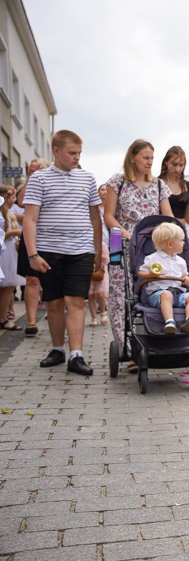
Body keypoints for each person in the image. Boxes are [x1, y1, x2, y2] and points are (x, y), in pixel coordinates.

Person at [23, 130, 103, 376]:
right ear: (56, 151)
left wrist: (98, 251)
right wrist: (33, 254)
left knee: (76, 300)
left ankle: (76, 356)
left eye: (79, 153)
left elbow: (95, 218)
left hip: (80, 250)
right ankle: (58, 350)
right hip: (49, 251)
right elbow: (30, 219)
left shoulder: (88, 179)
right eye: (72, 153)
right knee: (54, 302)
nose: (77, 157)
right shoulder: (39, 179)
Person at [104, 140, 173, 370]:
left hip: (150, 247)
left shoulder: (160, 185)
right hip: (119, 242)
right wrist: (127, 234)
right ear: (132, 158)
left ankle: (154, 341)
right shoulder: (118, 182)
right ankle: (126, 346)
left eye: (152, 158)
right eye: (145, 158)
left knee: (150, 290)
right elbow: (109, 216)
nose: (150, 162)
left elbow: (168, 217)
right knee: (120, 293)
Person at [138, 222, 189, 334]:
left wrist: (186, 278)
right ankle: (170, 322)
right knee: (166, 295)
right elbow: (141, 272)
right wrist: (149, 275)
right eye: (181, 240)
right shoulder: (152, 259)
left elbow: (184, 275)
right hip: (158, 295)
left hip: (177, 294)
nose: (184, 243)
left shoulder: (181, 261)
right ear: (170, 244)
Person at [16, 158, 51, 337]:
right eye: (33, 165)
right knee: (32, 280)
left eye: (39, 165)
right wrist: (31, 176)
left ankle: (60, 319)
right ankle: (31, 322)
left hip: (50, 236)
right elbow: (21, 201)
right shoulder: (31, 182)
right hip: (31, 236)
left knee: (53, 280)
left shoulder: (52, 180)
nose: (35, 166)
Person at [0, 186, 24, 330]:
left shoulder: (7, 213)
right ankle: (3, 318)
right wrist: (15, 232)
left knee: (8, 287)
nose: (14, 201)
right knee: (7, 286)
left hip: (8, 249)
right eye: (12, 198)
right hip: (4, 250)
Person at [158, 146, 189, 225]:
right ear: (166, 162)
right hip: (160, 231)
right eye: (174, 164)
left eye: (181, 165)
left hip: (180, 232)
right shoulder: (156, 184)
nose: (177, 169)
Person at [87, 241, 109, 326]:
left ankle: (103, 312)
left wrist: (96, 256)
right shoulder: (86, 244)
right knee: (91, 295)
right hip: (89, 270)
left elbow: (107, 259)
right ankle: (94, 317)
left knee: (100, 293)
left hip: (101, 272)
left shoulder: (102, 245)